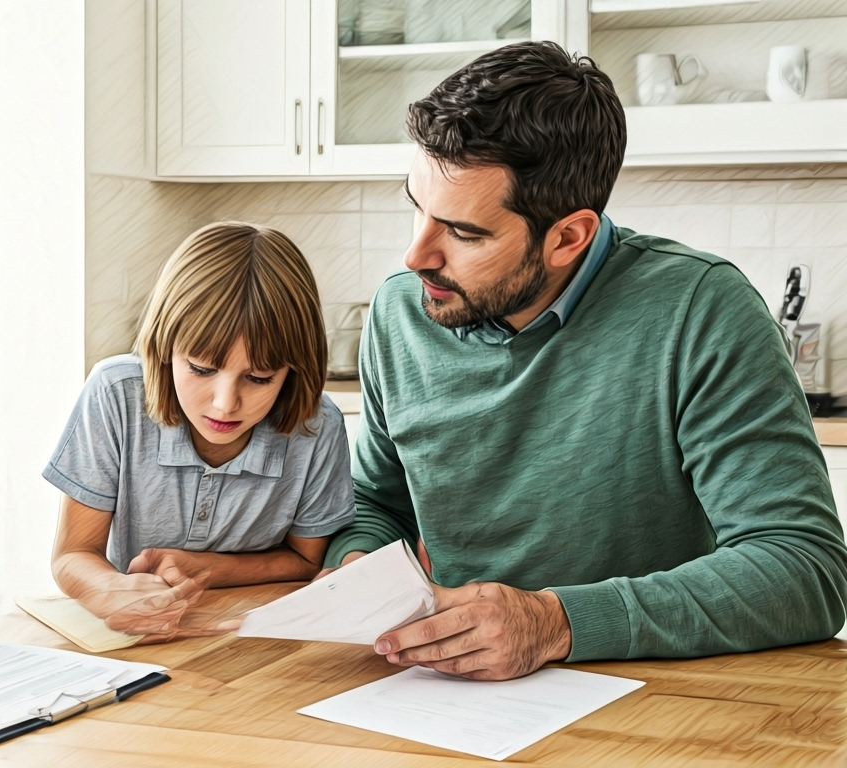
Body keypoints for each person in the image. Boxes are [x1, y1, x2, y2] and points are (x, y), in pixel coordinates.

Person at [323, 42, 847, 680]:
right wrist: (358, 568)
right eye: (416, 208)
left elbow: (804, 567)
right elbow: (378, 501)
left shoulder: (700, 310)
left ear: (569, 236)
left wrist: (555, 623)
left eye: (464, 233)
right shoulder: (400, 315)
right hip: (450, 699)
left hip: (662, 696)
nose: (416, 257)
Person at [46, 222, 355, 641]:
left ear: (294, 371)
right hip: (137, 638)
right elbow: (73, 554)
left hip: (253, 638)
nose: (225, 403)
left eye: (260, 377)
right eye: (202, 369)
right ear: (163, 347)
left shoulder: (317, 426)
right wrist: (107, 589)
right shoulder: (115, 394)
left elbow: (306, 560)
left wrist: (202, 566)